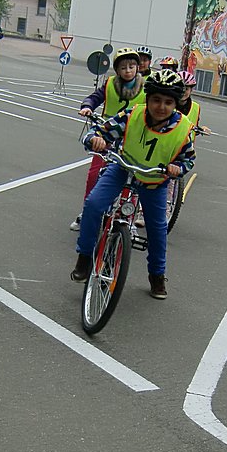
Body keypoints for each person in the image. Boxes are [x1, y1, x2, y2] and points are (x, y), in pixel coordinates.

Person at [71, 66, 196, 299]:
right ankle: (84, 257)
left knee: (158, 230)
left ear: (175, 104)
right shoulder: (132, 115)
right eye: (156, 100)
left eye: (168, 102)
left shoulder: (183, 129)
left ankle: (157, 276)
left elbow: (188, 160)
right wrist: (96, 139)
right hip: (122, 168)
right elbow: (102, 130)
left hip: (154, 181)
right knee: (94, 205)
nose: (161, 107)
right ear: (147, 99)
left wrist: (178, 168)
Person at [70, 47, 145, 229]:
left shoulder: (146, 87)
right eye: (123, 67)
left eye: (132, 66)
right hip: (106, 136)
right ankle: (88, 212)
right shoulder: (110, 84)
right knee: (95, 174)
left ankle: (128, 218)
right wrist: (88, 106)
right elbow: (94, 98)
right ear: (117, 70)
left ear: (137, 68)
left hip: (132, 139)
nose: (128, 70)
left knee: (134, 178)